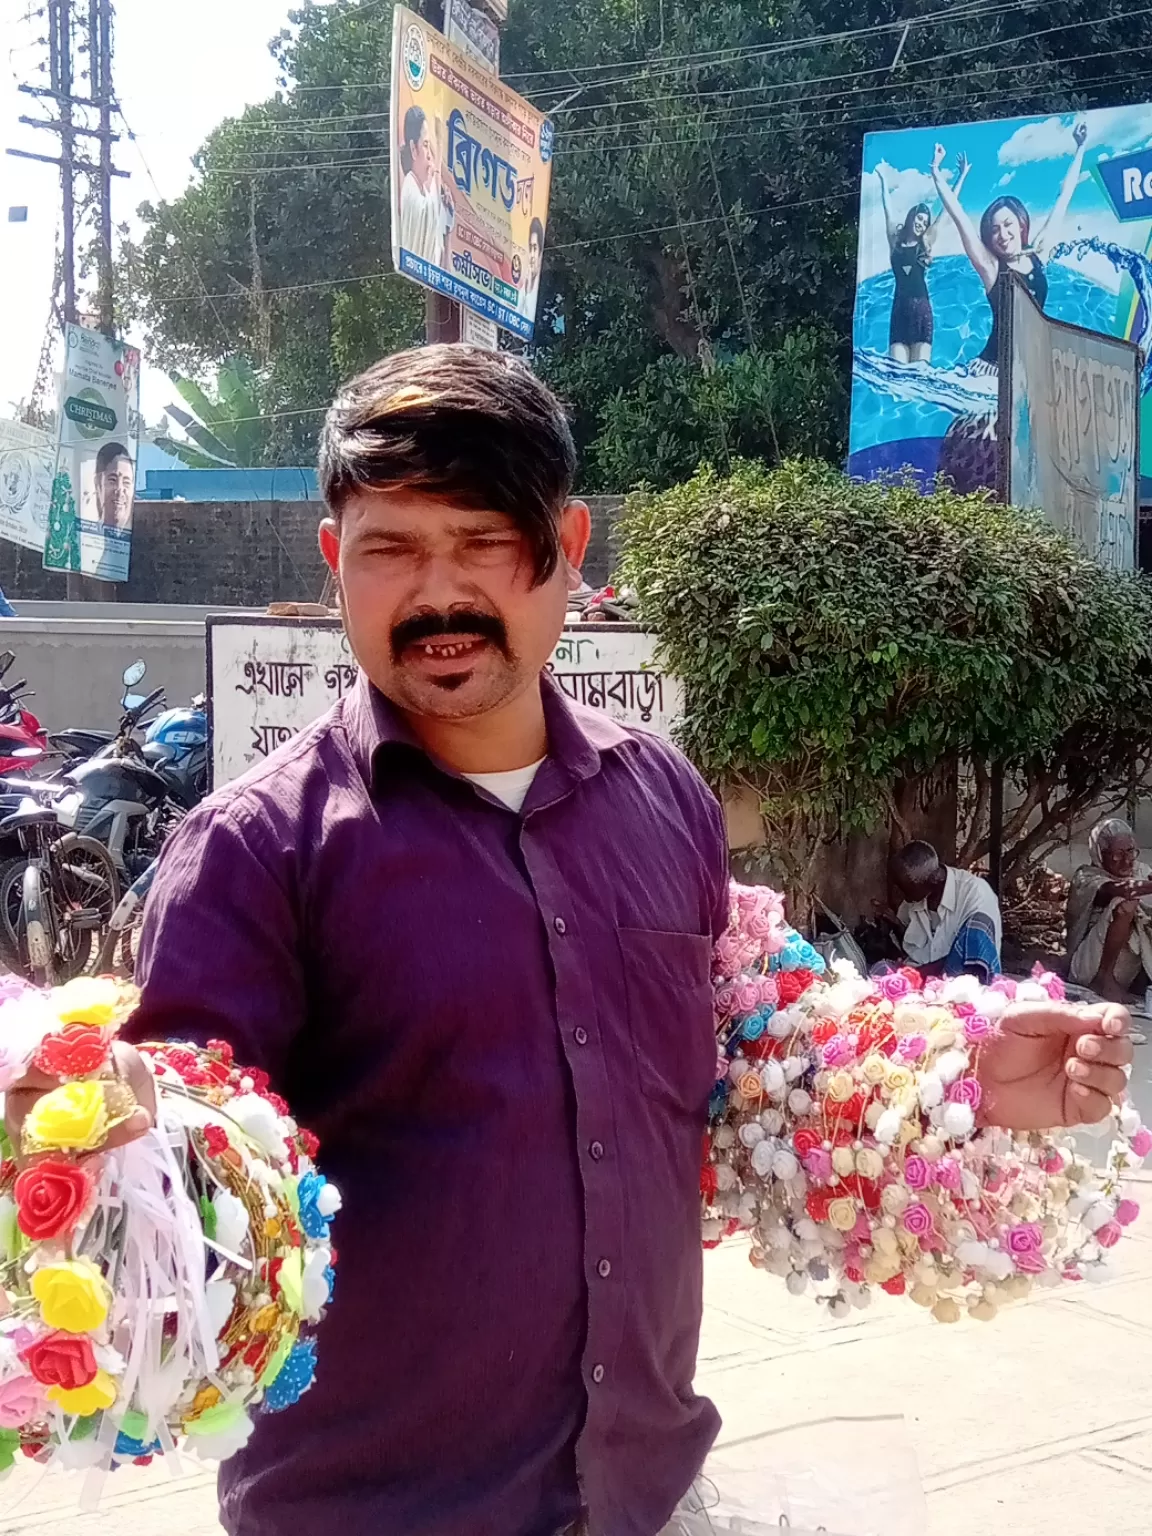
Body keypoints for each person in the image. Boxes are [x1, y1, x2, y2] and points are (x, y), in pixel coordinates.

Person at [5, 347, 1133, 1536]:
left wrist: (959, 1081)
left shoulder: (665, 800)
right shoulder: (255, 853)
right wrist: (116, 1134)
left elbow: (723, 1074)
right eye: (393, 548)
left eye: (486, 541)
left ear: (569, 544)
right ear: (336, 561)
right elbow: (192, 1176)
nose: (439, 593)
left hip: (646, 1496)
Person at [930, 123, 1087, 491]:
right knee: (979, 454)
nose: (1002, 234)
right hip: (992, 369)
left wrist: (1080, 149)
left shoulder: (1040, 255)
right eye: (994, 229)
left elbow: (1063, 198)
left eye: (1007, 224)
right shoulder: (991, 269)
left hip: (1029, 370)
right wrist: (937, 175)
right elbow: (959, 219)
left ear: (1021, 223)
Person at [876, 165, 963, 364]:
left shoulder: (926, 242)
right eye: (919, 219)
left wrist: (961, 176)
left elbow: (947, 210)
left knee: (919, 374)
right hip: (899, 313)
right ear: (911, 216)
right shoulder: (895, 241)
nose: (922, 224)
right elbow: (887, 210)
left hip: (921, 312)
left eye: (925, 222)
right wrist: (882, 181)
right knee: (897, 373)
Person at [890, 839, 1003, 984]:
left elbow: (974, 959)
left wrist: (918, 977)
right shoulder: (916, 897)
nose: (904, 897)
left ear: (933, 881)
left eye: (907, 890)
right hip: (918, 979)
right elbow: (906, 937)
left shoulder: (976, 894)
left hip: (961, 985)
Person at [1067, 817, 1152, 1002]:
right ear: (1101, 854)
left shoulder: (1141, 870)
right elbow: (1124, 889)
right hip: (1087, 967)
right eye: (1117, 854)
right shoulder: (1086, 877)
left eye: (1130, 851)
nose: (1127, 860)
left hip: (1130, 968)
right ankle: (1103, 978)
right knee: (1124, 903)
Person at [398, 104, 450, 268]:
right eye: (426, 145)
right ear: (414, 149)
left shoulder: (425, 191)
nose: (430, 155)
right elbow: (429, 211)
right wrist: (440, 146)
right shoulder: (409, 186)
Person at [93, 440, 134, 531]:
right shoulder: (88, 537)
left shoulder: (140, 539)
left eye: (126, 482)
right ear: (98, 484)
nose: (120, 489)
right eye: (113, 480)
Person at [520, 215, 545, 319]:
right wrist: (527, 287)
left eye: (535, 248)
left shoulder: (542, 284)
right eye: (530, 248)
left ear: (540, 253)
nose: (532, 255)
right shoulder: (523, 282)